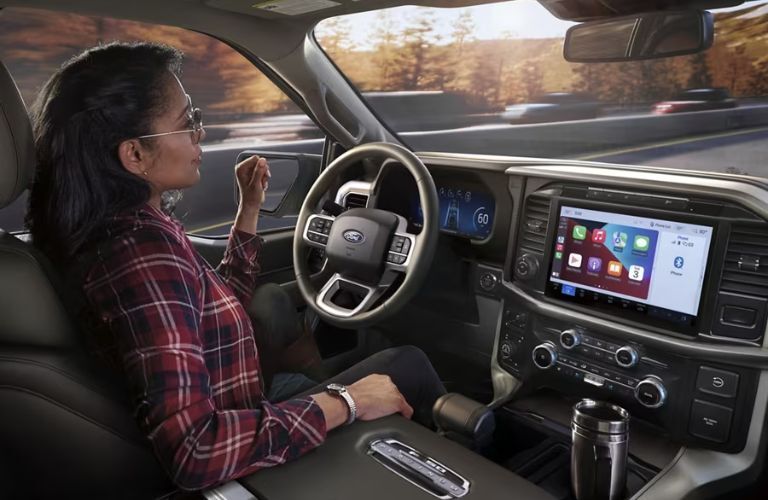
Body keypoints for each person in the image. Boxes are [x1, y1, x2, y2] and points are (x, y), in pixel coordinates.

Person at [25, 42, 445, 492]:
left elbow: (206, 308)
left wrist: (249, 212)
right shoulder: (141, 253)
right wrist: (347, 402)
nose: (199, 135)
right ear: (135, 156)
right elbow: (195, 450)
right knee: (409, 364)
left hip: (246, 408)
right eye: (188, 123)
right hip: (241, 445)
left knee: (295, 335)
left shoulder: (115, 229)